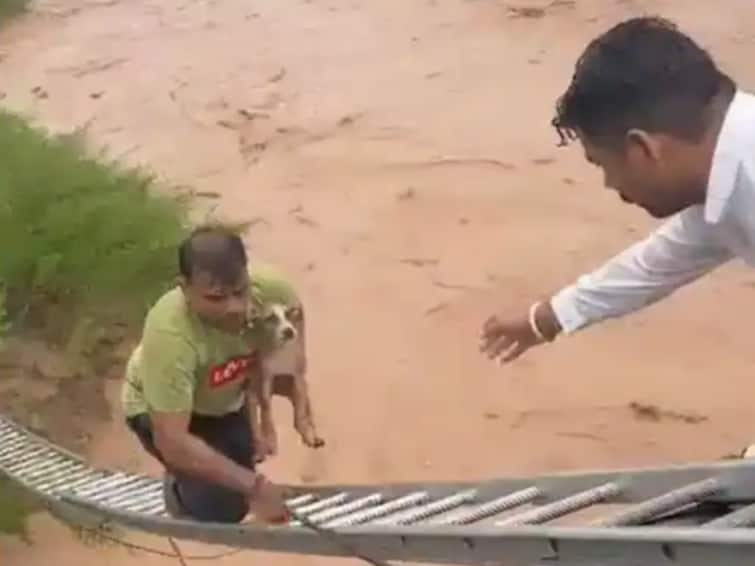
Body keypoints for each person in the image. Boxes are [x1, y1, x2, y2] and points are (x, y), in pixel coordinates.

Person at [479, 17, 755, 449]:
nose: (612, 186)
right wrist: (546, 318)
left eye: (604, 165)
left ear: (643, 148)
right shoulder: (729, 176)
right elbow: (661, 261)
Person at [121, 224, 301, 523]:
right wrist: (255, 486)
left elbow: (286, 363)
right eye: (216, 298)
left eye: (239, 292)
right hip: (163, 410)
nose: (233, 307)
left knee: (241, 472)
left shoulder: (273, 292)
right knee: (222, 510)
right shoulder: (171, 336)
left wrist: (263, 422)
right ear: (185, 288)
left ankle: (213, 469)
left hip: (219, 394)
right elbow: (174, 440)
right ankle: (177, 492)